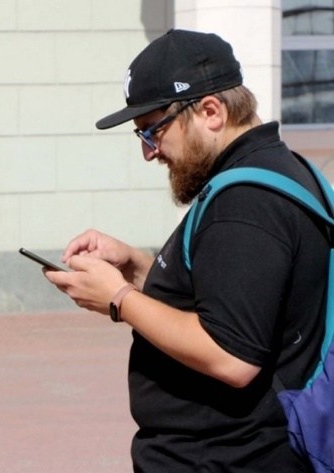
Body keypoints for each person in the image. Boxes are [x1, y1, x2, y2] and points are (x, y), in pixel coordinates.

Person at [44, 29, 324, 471]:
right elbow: (231, 295)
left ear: (210, 111)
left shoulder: (245, 203)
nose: (149, 153)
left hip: (226, 456)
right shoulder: (286, 170)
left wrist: (119, 299)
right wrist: (136, 267)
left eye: (153, 131)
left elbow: (231, 356)